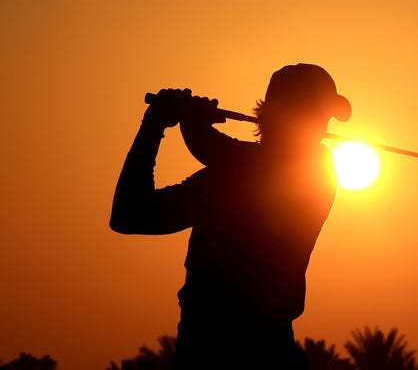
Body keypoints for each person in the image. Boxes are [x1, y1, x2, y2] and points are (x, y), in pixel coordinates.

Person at [110, 63, 351, 369]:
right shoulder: (224, 179)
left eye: (324, 117)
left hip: (246, 349)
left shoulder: (317, 168)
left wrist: (179, 122)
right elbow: (130, 215)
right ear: (282, 115)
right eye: (314, 114)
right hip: (223, 351)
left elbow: (211, 148)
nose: (321, 126)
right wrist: (156, 125)